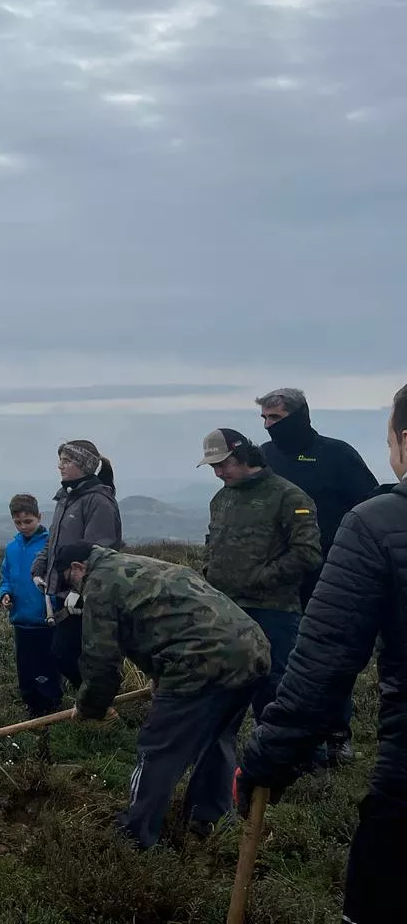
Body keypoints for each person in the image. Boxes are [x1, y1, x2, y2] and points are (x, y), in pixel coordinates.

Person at [237, 382, 407, 924]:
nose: (268, 424)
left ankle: (338, 742)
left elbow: (323, 666)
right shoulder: (265, 460)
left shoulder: (374, 515)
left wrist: (268, 756)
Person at [58, 541, 270, 848]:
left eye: (69, 579)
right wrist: (159, 673)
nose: (73, 586)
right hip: (251, 650)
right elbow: (168, 617)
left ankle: (135, 835)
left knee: (158, 748)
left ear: (78, 568)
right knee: (218, 738)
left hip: (199, 662)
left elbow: (102, 662)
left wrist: (90, 706)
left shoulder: (100, 584)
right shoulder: (140, 564)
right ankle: (207, 818)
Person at [258, 386, 378, 762]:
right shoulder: (265, 456)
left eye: (274, 418)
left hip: (332, 572)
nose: (267, 426)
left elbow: (370, 506)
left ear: (297, 416)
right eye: (263, 419)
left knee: (331, 654)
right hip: (280, 575)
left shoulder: (337, 454)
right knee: (285, 656)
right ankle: (290, 735)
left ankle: (337, 732)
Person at [198, 428, 321, 720]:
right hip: (227, 609)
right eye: (213, 466)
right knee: (228, 683)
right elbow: (212, 541)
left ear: (242, 456)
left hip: (273, 610)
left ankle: (295, 755)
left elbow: (308, 553)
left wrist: (260, 578)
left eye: (222, 464)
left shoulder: (289, 496)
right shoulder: (221, 499)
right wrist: (209, 571)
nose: (217, 473)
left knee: (278, 685)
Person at [31, 440, 122, 686]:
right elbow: (53, 540)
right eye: (60, 459)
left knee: (72, 654)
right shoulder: (66, 498)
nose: (59, 466)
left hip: (84, 596)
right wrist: (39, 567)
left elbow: (98, 551)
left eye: (66, 461)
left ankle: (100, 706)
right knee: (67, 654)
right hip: (62, 590)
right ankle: (93, 705)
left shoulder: (98, 501)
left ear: (83, 465)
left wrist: (78, 591)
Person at [0, 494, 61, 718]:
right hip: (21, 619)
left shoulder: (50, 544)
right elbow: (6, 576)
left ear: (39, 517)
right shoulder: (12, 548)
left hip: (45, 620)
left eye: (28, 521)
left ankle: (51, 704)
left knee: (46, 665)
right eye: (18, 522)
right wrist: (5, 593)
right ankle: (30, 702)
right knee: (25, 665)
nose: (23, 526)